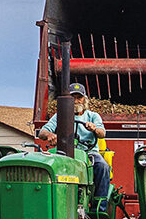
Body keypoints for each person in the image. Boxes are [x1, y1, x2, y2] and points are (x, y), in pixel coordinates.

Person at [37, 83, 111, 211]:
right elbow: (42, 132)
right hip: (65, 153)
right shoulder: (59, 116)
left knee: (103, 166)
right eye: (73, 98)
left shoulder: (93, 116)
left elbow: (102, 133)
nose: (76, 101)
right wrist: (50, 135)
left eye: (79, 97)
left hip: (88, 154)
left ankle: (99, 207)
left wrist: (94, 128)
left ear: (85, 99)